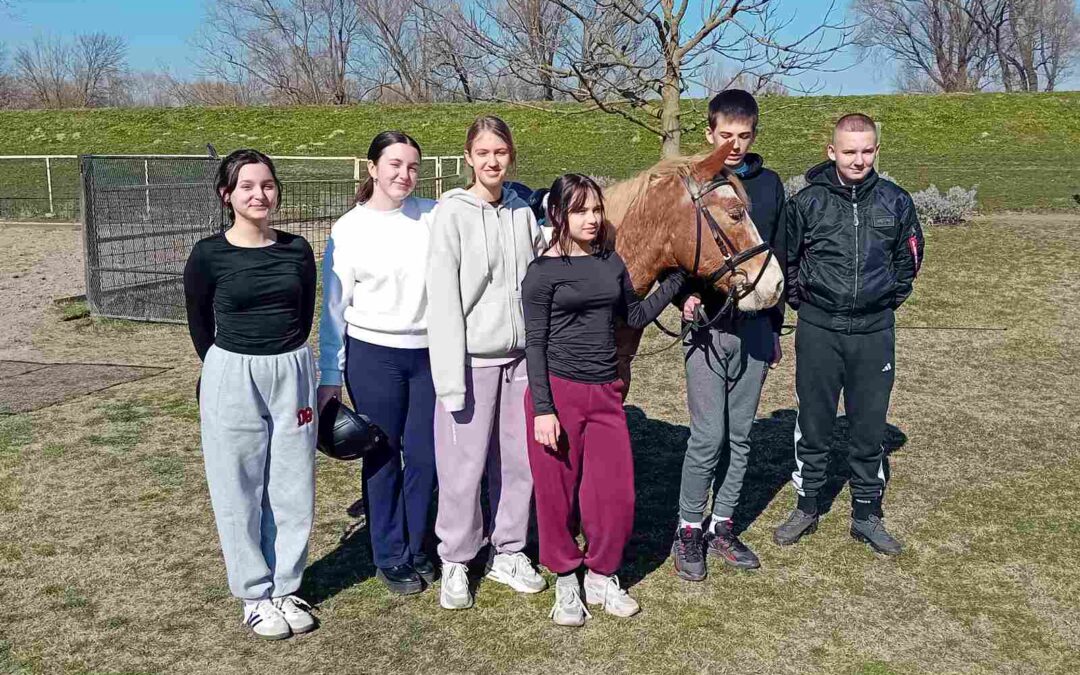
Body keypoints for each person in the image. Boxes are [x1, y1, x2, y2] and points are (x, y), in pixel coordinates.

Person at [522, 174, 686, 626]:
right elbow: (535, 344)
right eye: (581, 211)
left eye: (597, 209)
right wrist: (543, 409)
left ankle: (600, 574)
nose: (592, 219)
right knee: (556, 495)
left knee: (615, 494)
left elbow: (634, 315)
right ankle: (565, 578)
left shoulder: (611, 263)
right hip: (558, 394)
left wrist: (675, 282)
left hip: (606, 392)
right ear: (558, 214)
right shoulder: (542, 272)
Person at [774, 113, 924, 555]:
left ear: (876, 150)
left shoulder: (896, 201)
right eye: (849, 151)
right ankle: (807, 505)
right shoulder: (806, 202)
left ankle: (866, 514)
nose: (858, 160)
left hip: (874, 332)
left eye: (866, 151)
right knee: (814, 422)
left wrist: (884, 300)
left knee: (868, 426)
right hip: (819, 329)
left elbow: (910, 259)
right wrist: (806, 303)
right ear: (832, 152)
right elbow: (788, 260)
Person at [183, 149, 318, 640]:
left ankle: (285, 586)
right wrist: (230, 366)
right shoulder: (207, 255)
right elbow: (200, 324)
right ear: (227, 195)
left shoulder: (297, 250)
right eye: (246, 186)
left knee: (293, 485)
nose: (259, 194)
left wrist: (283, 360)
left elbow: (303, 313)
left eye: (267, 184)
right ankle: (255, 595)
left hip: (291, 370)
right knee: (237, 486)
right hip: (232, 373)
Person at [426, 116, 548, 611]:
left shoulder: (522, 213)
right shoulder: (451, 215)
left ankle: (509, 551)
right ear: (468, 158)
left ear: (510, 155)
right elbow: (443, 300)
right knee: (463, 466)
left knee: (519, 463)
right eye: (483, 153)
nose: (492, 161)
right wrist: (449, 380)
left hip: (520, 360)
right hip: (472, 362)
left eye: (500, 152)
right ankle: (456, 558)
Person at [670, 90, 787, 580]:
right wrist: (682, 298)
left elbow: (779, 257)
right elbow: (671, 255)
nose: (734, 145)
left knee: (740, 437)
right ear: (708, 133)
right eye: (725, 135)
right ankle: (688, 529)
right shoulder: (691, 184)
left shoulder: (771, 186)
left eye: (744, 136)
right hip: (708, 330)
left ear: (754, 135)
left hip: (756, 329)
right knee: (708, 435)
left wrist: (775, 327)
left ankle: (722, 526)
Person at [317, 131, 438, 595]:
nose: (404, 174)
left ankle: (417, 542)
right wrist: (331, 375)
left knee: (425, 457)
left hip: (428, 355)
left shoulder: (433, 215)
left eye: (412, 167)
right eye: (395, 164)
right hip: (373, 355)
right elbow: (334, 308)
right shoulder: (350, 228)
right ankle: (390, 554)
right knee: (383, 455)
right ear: (372, 168)